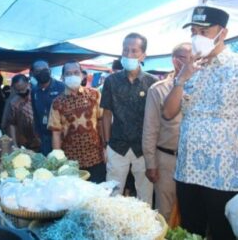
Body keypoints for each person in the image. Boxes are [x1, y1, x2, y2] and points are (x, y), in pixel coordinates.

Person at [163, 6, 237, 239]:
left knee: (222, 233)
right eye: (194, 31)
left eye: (204, 31)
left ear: (222, 33)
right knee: (189, 232)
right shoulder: (191, 68)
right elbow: (168, 113)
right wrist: (182, 79)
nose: (198, 37)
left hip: (224, 175)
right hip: (187, 171)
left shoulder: (236, 67)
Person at [101, 32, 157, 205]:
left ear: (143, 55)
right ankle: (110, 228)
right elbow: (106, 114)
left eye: (134, 51)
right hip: (117, 146)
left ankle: (144, 230)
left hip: (143, 149)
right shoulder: (111, 81)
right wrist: (106, 144)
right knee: (112, 195)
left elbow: (156, 119)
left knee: (145, 196)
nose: (129, 54)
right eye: (126, 50)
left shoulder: (152, 82)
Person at [142, 42, 192, 222]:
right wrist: (150, 163)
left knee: (192, 213)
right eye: (190, 59)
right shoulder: (159, 89)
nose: (196, 63)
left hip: (194, 161)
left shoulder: (203, 86)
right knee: (166, 211)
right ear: (176, 62)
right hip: (167, 160)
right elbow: (150, 129)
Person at [48, 61, 106, 183]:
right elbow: (56, 133)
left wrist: (106, 148)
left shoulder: (94, 95)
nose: (72, 76)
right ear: (62, 77)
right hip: (71, 161)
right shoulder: (57, 102)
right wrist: (58, 159)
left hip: (96, 157)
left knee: (97, 194)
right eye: (68, 74)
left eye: (76, 72)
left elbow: (102, 122)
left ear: (82, 75)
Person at [30, 60, 65, 155]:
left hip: (61, 136)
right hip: (44, 136)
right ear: (33, 73)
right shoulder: (34, 91)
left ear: (50, 70)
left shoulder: (62, 88)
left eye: (45, 69)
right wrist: (37, 133)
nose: (42, 73)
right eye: (38, 71)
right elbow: (35, 113)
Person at [7, 74, 40, 151]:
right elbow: (12, 124)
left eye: (23, 89)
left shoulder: (37, 96)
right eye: (18, 90)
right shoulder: (14, 102)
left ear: (28, 84)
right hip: (24, 142)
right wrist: (14, 143)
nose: (21, 92)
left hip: (41, 140)